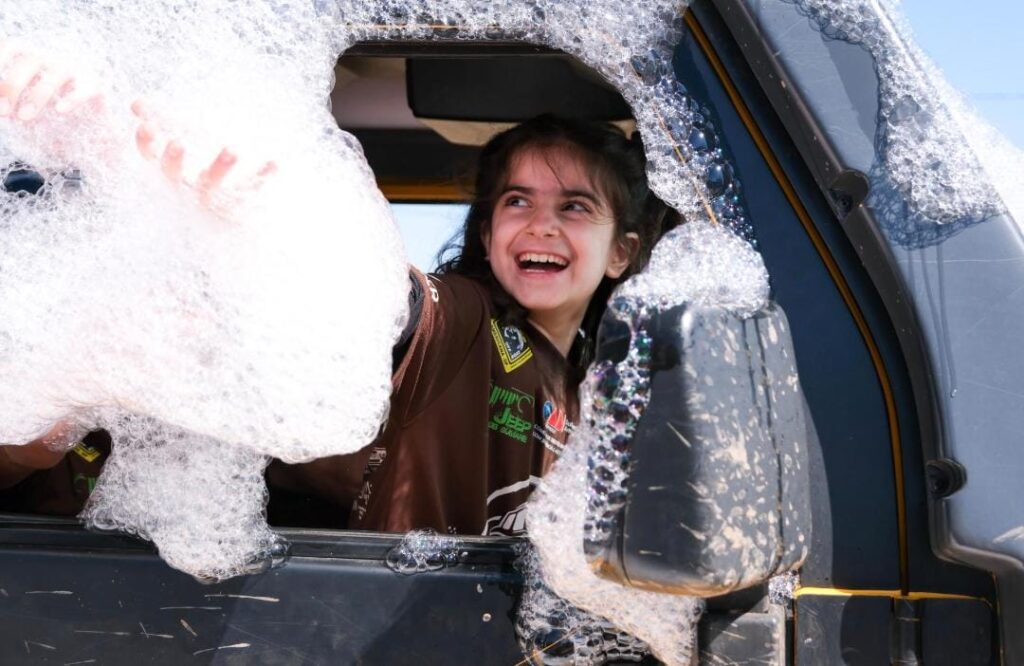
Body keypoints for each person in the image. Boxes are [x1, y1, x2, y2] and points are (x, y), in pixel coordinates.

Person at [0, 50, 677, 536]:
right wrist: (269, 234)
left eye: (575, 206)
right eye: (517, 200)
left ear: (622, 251)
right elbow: (388, 306)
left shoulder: (595, 386)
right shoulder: (474, 324)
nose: (541, 224)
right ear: (488, 229)